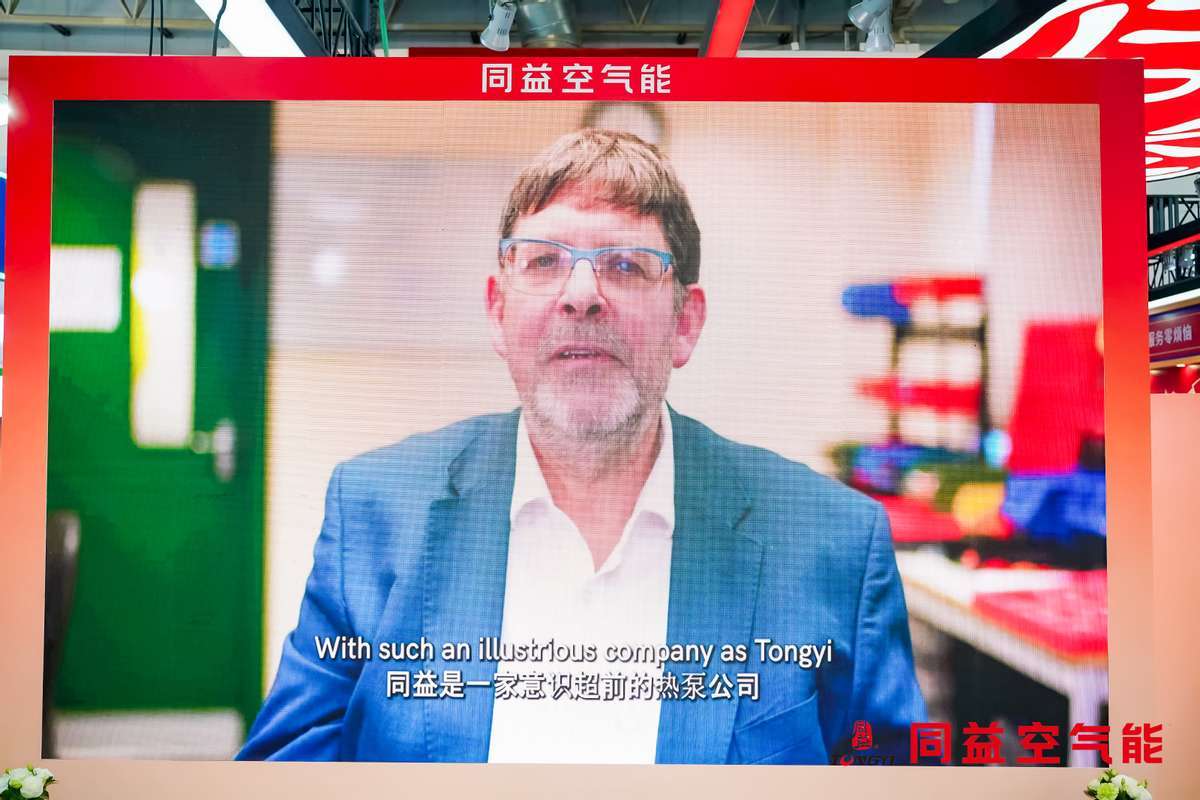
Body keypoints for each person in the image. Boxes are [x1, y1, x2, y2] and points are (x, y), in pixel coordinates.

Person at [237, 129, 925, 765]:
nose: (582, 295)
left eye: (627, 265)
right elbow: (286, 770)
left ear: (686, 323)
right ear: (498, 312)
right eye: (544, 261)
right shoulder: (374, 512)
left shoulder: (834, 542)